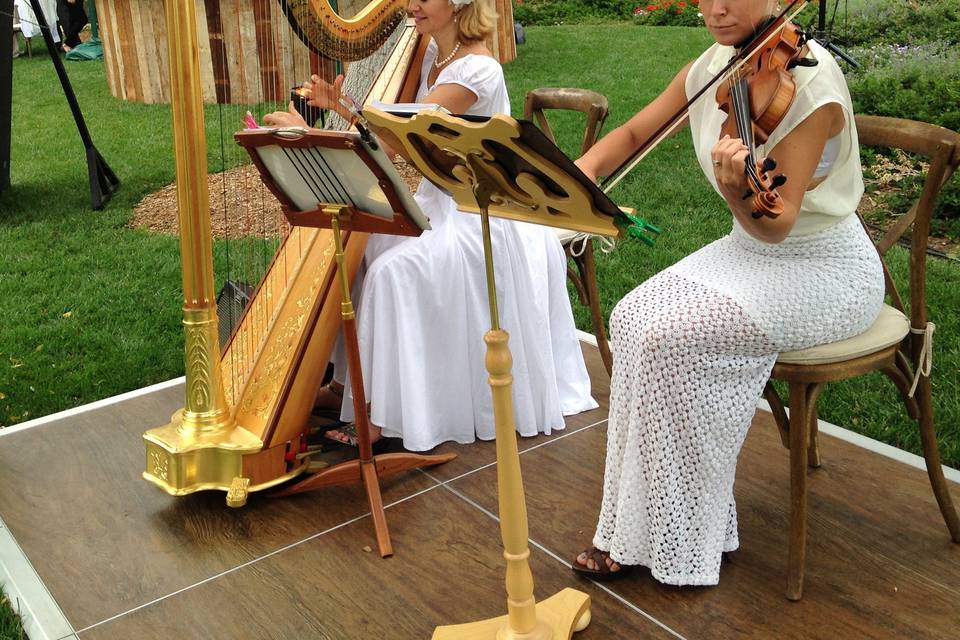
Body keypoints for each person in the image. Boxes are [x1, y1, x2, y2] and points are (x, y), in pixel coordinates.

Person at [571, 0, 884, 585]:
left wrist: (740, 191)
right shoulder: (719, 64)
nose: (713, 10)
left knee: (670, 335)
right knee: (634, 316)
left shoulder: (811, 86)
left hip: (823, 267)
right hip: (749, 252)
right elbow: (638, 130)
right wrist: (570, 177)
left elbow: (777, 222)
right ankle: (632, 523)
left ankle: (688, 534)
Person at [264, 0, 597, 452]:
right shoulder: (433, 58)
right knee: (356, 251)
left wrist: (313, 128)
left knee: (388, 273)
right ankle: (348, 386)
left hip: (476, 216)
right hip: (435, 204)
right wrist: (336, 104)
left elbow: (398, 139)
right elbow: (390, 138)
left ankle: (380, 412)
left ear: (457, 4)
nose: (408, 5)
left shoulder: (476, 71)